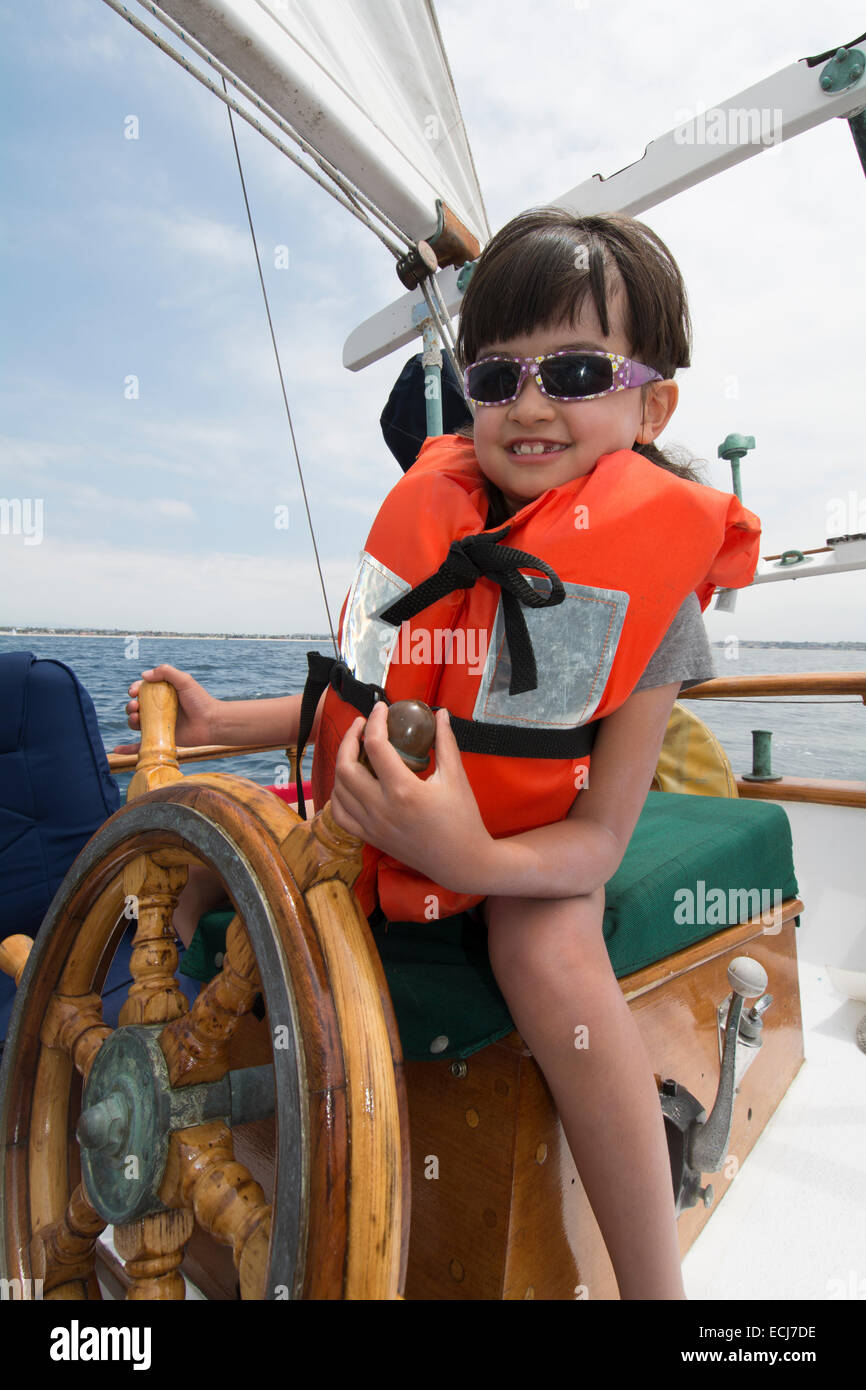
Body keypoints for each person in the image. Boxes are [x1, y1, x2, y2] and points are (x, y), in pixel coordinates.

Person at [121, 209, 760, 1301]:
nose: (527, 402)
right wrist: (232, 723)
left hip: (522, 846)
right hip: (367, 820)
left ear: (651, 401)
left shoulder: (648, 597)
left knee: (543, 948)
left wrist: (468, 855)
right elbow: (358, 701)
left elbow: (598, 839)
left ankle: (654, 1288)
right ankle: (166, 1131)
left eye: (570, 369)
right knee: (194, 867)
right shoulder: (431, 518)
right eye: (494, 375)